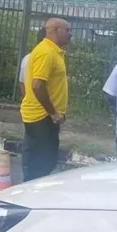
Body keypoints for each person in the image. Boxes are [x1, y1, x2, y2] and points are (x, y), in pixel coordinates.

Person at [20, 18, 71, 181]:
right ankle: (31, 198)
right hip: (42, 117)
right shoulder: (46, 52)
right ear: (56, 30)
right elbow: (37, 85)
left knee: (41, 161)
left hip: (43, 116)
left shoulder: (52, 51)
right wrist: (54, 113)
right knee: (41, 165)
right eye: (67, 30)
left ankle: (30, 192)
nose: (70, 34)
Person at [17, 26, 46, 99]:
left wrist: (27, 100)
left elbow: (22, 83)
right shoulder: (45, 58)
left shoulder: (27, 58)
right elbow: (36, 86)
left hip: (30, 104)